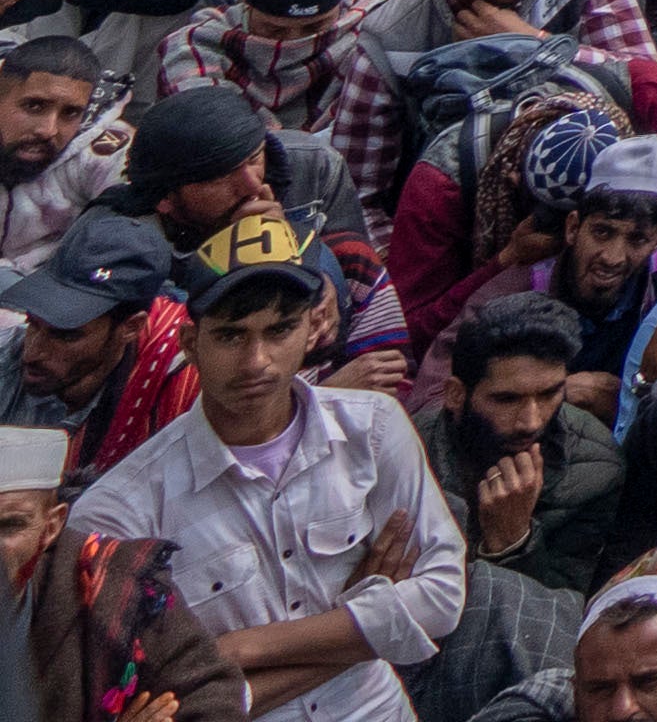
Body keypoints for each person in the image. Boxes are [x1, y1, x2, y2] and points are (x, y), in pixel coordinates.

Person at [67, 203, 461, 722]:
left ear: (312, 331)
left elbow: (442, 597)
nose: (256, 362)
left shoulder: (374, 430)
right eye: (232, 335)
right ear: (191, 343)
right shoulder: (121, 510)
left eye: (278, 331)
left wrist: (240, 650)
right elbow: (162, 691)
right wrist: (361, 626)